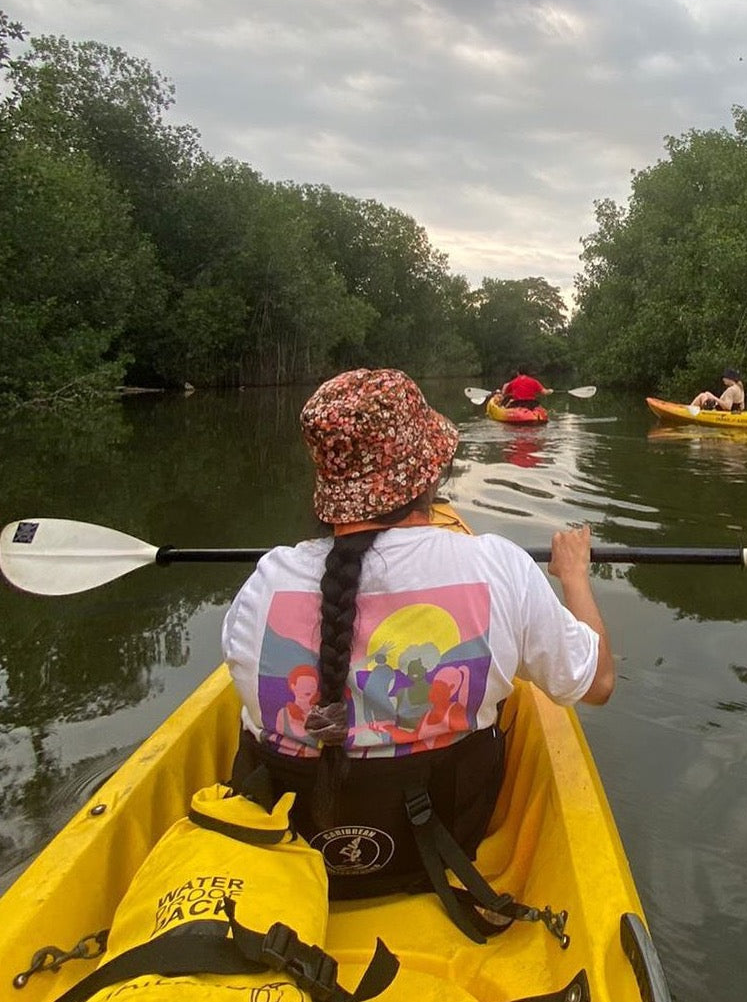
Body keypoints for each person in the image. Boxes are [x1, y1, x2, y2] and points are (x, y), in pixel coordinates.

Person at [221, 367, 614, 938]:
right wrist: (575, 575)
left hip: (296, 852)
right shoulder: (497, 565)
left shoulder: (265, 584)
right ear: (430, 471)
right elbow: (598, 684)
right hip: (446, 845)